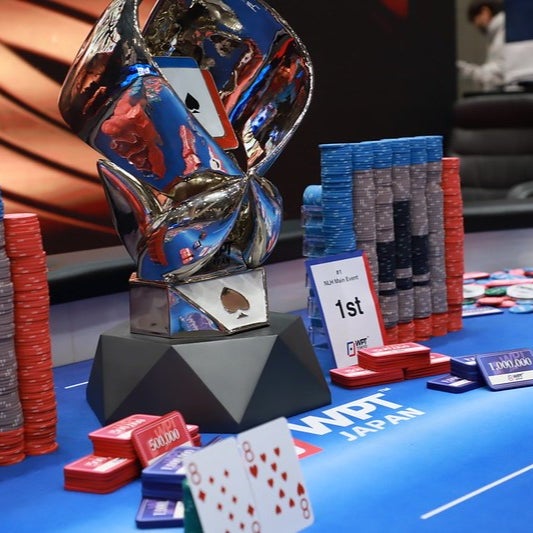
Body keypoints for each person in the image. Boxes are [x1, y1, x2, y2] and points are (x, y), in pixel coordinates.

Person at [456, 0, 506, 91]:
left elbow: (498, 77)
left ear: (485, 12)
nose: (476, 26)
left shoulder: (504, 33)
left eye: (475, 20)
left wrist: (466, 70)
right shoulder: (500, 32)